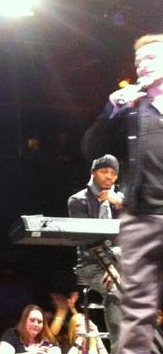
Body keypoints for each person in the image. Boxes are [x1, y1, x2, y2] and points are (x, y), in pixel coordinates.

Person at [82, 34, 163, 354]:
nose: (142, 66)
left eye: (151, 59)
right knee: (138, 314)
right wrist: (111, 111)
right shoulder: (132, 111)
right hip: (142, 218)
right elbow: (91, 149)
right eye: (138, 62)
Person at [67, 154, 123, 353]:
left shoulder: (120, 200)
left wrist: (121, 205)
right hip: (91, 263)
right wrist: (109, 265)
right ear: (93, 173)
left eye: (113, 173)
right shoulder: (77, 201)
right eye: (104, 171)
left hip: (120, 261)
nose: (109, 176)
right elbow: (88, 240)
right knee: (115, 291)